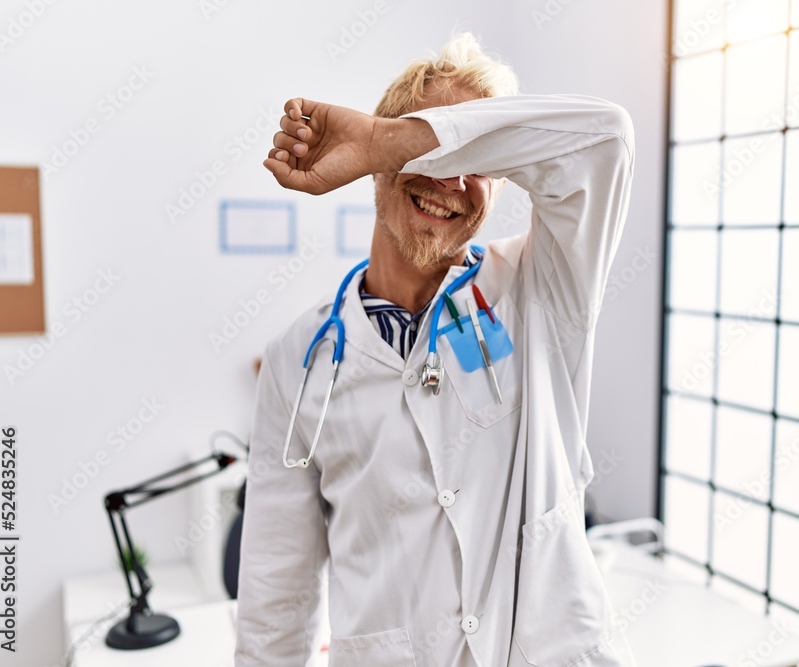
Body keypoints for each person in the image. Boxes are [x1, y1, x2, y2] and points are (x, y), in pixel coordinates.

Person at [235, 33, 636, 667]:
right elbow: (274, 594)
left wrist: (384, 142)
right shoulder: (298, 359)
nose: (451, 180)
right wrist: (388, 149)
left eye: (478, 156)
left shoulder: (543, 290)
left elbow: (604, 138)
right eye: (431, 146)